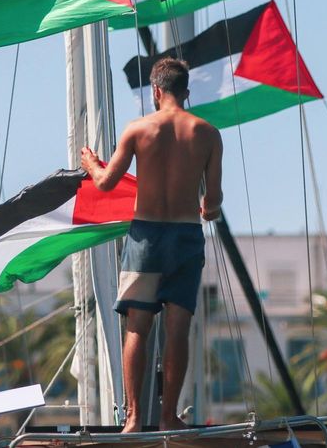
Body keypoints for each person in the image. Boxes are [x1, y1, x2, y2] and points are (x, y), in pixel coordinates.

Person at [80, 57, 223, 433]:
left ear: (156, 91)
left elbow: (106, 182)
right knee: (177, 330)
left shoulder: (138, 129)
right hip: (185, 237)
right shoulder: (208, 134)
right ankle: (168, 416)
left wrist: (91, 163)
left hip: (146, 238)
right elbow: (212, 202)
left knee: (137, 328)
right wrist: (209, 209)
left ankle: (133, 418)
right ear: (186, 92)